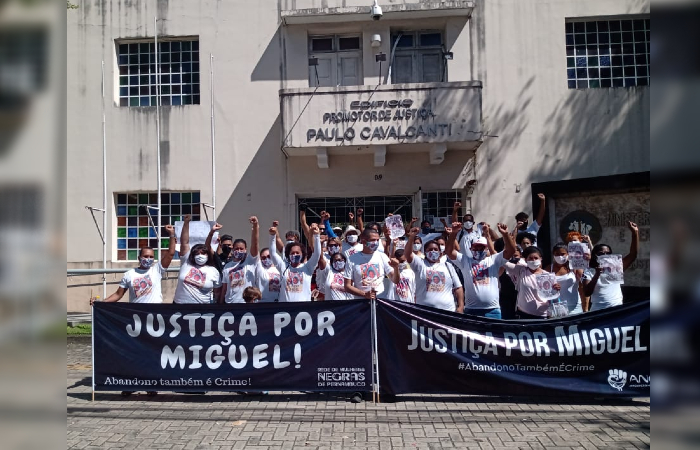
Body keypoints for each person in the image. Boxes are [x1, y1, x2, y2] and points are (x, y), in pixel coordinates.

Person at [91, 226, 176, 306]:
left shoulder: (157, 270)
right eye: (145, 256)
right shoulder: (129, 274)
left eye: (151, 257)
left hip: (155, 313)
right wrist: (100, 303)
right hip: (137, 314)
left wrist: (171, 234)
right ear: (139, 258)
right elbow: (118, 295)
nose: (148, 259)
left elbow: (170, 254)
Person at [446, 222, 515, 319]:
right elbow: (449, 251)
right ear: (471, 248)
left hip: (493, 310)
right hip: (471, 310)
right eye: (476, 247)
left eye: (482, 247)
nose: (479, 249)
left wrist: (505, 234)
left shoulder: (494, 260)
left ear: (487, 249)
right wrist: (453, 233)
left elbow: (511, 251)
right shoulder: (465, 261)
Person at [403, 227, 464, 313]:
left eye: (436, 249)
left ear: (440, 252)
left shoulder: (448, 266)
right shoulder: (420, 264)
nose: (433, 251)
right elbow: (407, 254)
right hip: (425, 312)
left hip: (447, 311)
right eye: (430, 250)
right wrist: (411, 237)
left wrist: (460, 306)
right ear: (425, 252)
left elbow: (458, 288)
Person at [582, 221, 639, 311]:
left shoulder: (616, 268)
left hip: (616, 311)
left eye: (608, 253)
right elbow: (587, 292)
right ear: (595, 255)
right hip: (598, 312)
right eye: (601, 253)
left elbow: (633, 255)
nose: (605, 255)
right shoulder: (589, 271)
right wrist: (596, 275)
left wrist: (635, 233)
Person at [173, 216, 222, 304]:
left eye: (203, 253)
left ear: (207, 255)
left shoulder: (214, 271)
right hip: (179, 307)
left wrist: (212, 232)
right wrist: (186, 223)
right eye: (197, 253)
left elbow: (217, 292)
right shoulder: (186, 262)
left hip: (203, 309)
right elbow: (185, 242)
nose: (200, 256)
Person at [268, 222, 322, 302]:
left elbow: (317, 254)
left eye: (297, 253)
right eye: (292, 253)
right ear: (288, 255)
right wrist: (272, 236)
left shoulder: (307, 267)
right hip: (285, 310)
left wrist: (317, 236)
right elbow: (272, 253)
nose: (295, 254)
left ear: (302, 254)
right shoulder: (283, 267)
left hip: (304, 310)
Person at [504, 246, 560, 319]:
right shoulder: (521, 271)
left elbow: (554, 297)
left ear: (541, 259)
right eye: (530, 258)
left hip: (543, 316)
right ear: (526, 260)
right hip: (524, 315)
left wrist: (556, 289)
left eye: (536, 258)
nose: (533, 260)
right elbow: (503, 262)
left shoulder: (548, 276)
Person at [344, 228, 395, 300]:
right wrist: (364, 294)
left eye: (377, 240)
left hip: (381, 302)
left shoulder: (382, 256)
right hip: (360, 305)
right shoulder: (352, 259)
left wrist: (396, 268)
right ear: (364, 241)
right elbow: (347, 286)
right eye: (373, 240)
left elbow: (395, 279)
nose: (376, 242)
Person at [219, 216, 260, 303]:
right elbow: (225, 288)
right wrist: (220, 303)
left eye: (241, 249)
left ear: (246, 249)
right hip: (231, 303)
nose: (239, 251)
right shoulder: (227, 266)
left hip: (247, 302)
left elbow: (255, 243)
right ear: (233, 249)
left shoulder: (250, 261)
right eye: (236, 249)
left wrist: (255, 226)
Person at [547, 242, 588, 314]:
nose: (560, 256)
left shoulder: (575, 267)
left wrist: (585, 307)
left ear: (568, 254)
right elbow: (543, 288)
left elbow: (583, 285)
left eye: (562, 254)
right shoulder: (548, 269)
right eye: (557, 254)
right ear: (553, 255)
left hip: (574, 307)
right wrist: (552, 287)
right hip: (556, 307)